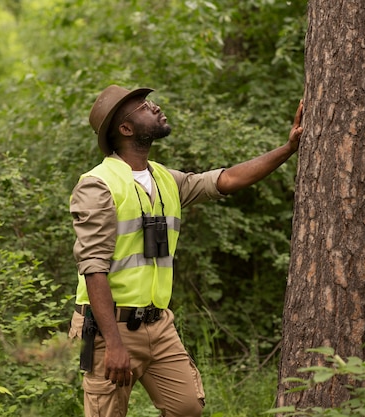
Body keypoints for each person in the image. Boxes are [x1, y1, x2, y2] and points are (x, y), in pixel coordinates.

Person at [68, 84, 303, 417]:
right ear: (125, 129)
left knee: (187, 408)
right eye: (144, 107)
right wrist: (115, 344)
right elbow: (93, 268)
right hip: (110, 329)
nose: (155, 107)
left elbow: (227, 180)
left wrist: (288, 148)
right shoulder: (97, 184)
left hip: (158, 324)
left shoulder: (166, 179)